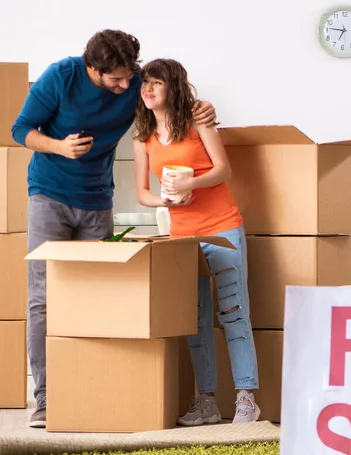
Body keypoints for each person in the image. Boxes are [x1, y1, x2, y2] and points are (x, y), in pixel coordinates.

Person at [11, 30, 218, 428]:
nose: (127, 87)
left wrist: (202, 105)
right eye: (117, 81)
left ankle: (91, 388)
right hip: (49, 196)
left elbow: (168, 96)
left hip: (97, 202)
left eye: (130, 77)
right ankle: (47, 399)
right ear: (93, 69)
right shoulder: (61, 77)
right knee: (43, 299)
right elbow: (20, 130)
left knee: (98, 298)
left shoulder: (133, 79)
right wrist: (59, 146)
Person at [133, 58, 260, 425]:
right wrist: (165, 200)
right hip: (181, 235)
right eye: (145, 83)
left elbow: (223, 169)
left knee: (233, 313)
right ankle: (206, 402)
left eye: (156, 82)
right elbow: (142, 193)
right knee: (196, 318)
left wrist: (190, 184)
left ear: (173, 86)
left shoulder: (197, 121)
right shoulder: (143, 136)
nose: (148, 89)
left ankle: (246, 398)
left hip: (221, 228)